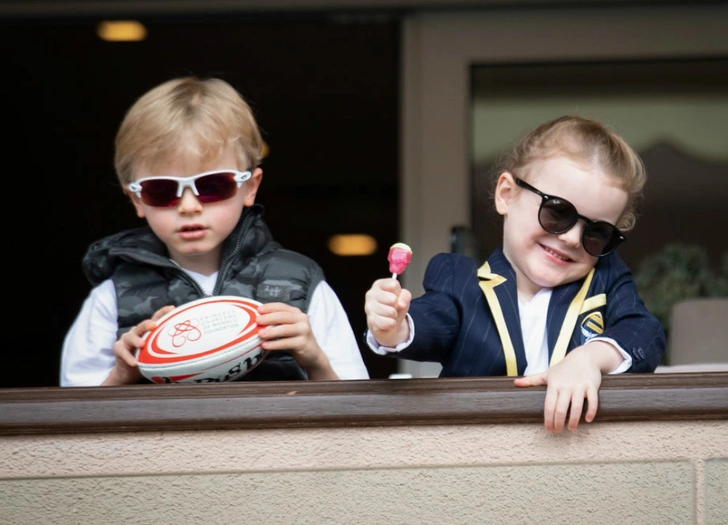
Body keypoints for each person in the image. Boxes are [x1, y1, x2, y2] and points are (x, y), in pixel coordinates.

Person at [364, 115, 666, 432]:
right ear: (507, 194)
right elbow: (432, 321)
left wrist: (589, 358)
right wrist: (394, 325)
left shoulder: (605, 278)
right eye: (558, 212)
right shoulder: (460, 280)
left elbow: (645, 332)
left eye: (597, 232)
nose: (572, 239)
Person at [61, 76, 369, 386]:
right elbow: (72, 422)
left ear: (250, 187)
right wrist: (122, 375)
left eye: (212, 186)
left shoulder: (301, 283)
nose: (189, 206)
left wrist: (314, 358)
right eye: (162, 189)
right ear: (136, 199)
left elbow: (356, 409)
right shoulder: (112, 298)